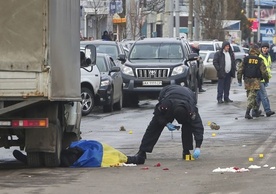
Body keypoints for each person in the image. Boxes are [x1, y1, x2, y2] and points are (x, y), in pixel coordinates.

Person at [127, 85, 204, 165]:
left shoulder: (191, 110)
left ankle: (186, 151)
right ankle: (142, 151)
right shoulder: (165, 105)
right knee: (155, 126)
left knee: (188, 124)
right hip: (168, 91)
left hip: (188, 94)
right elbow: (157, 114)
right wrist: (166, 123)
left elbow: (198, 127)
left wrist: (198, 146)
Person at [237, 44, 269, 119]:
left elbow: (240, 70)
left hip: (247, 80)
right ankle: (247, 113)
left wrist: (239, 80)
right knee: (252, 95)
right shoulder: (259, 60)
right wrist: (266, 80)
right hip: (256, 80)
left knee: (251, 95)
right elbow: (264, 72)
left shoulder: (246, 59)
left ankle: (255, 110)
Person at [253, 42, 275, 117]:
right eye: (263, 48)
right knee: (264, 95)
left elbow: (268, 68)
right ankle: (267, 110)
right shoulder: (259, 57)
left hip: (264, 79)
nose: (265, 49)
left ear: (268, 49)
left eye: (266, 48)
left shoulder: (268, 56)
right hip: (259, 79)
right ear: (261, 49)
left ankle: (254, 111)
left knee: (258, 97)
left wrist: (267, 79)